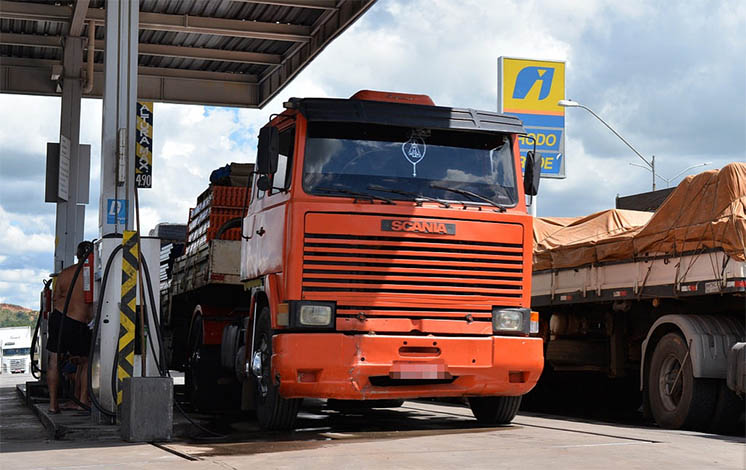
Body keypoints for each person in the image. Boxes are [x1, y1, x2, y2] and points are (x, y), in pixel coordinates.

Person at [46, 241, 94, 413]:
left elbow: (55, 299)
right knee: (85, 361)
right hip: (78, 322)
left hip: (58, 318)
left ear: (77, 255)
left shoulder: (64, 275)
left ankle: (53, 405)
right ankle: (82, 400)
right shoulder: (93, 275)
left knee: (54, 361)